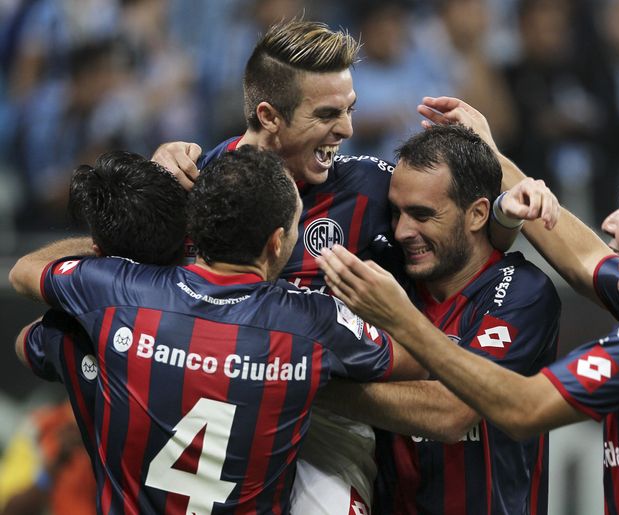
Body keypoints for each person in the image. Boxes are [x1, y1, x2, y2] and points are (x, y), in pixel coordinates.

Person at [151, 19, 557, 514]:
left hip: (323, 425)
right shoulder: (194, 184)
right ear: (269, 115)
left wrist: (501, 213)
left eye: (350, 110)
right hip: (212, 403)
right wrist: (157, 182)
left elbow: (451, 230)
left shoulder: (364, 185)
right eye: (327, 114)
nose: (346, 129)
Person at [318, 138, 619, 513]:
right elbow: (586, 259)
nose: (609, 224)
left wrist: (394, 326)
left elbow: (520, 409)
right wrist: (494, 156)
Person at [9, 146, 423, 514]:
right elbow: (419, 360)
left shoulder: (117, 290)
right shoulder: (313, 322)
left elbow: (26, 312)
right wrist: (395, 311)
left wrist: (116, 244)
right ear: (277, 242)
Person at [317, 124, 561, 514]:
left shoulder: (523, 293)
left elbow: (452, 412)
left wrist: (309, 389)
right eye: (395, 212)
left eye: (422, 215)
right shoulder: (387, 270)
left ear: (478, 214)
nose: (401, 231)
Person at [11, 149, 192, 514]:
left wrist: (101, 260)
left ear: (98, 250)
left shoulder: (76, 331)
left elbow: (22, 279)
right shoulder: (233, 312)